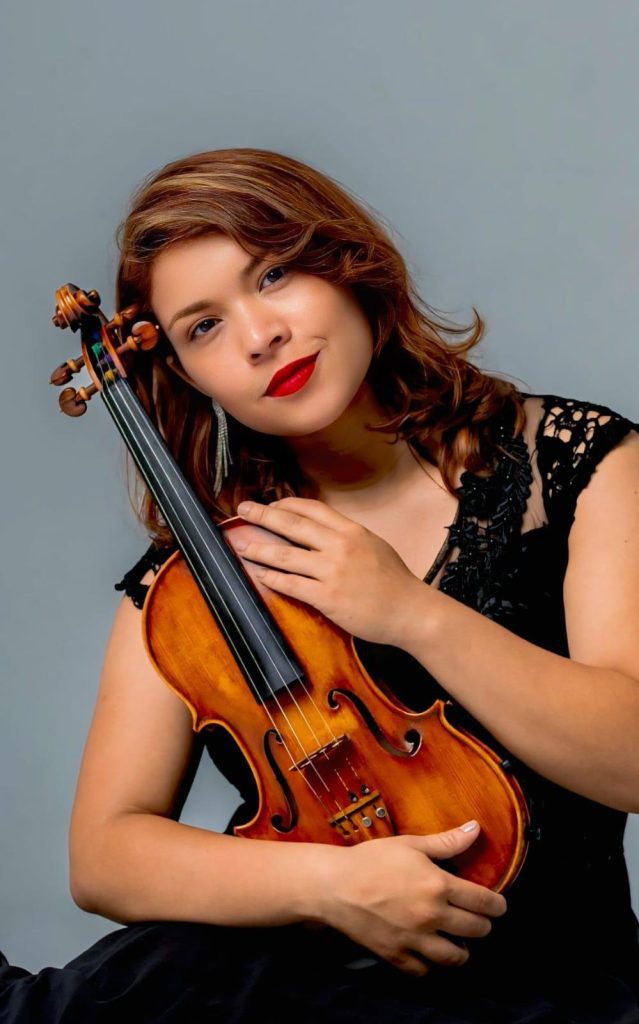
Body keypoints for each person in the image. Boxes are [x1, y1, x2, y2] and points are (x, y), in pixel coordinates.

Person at [1, 147, 639, 1023]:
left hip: (552, 991)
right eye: (203, 327)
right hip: (292, 983)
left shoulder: (571, 462)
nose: (258, 336)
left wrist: (409, 613)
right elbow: (104, 856)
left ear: (347, 263)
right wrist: (328, 884)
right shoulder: (198, 579)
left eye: (273, 275)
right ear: (184, 373)